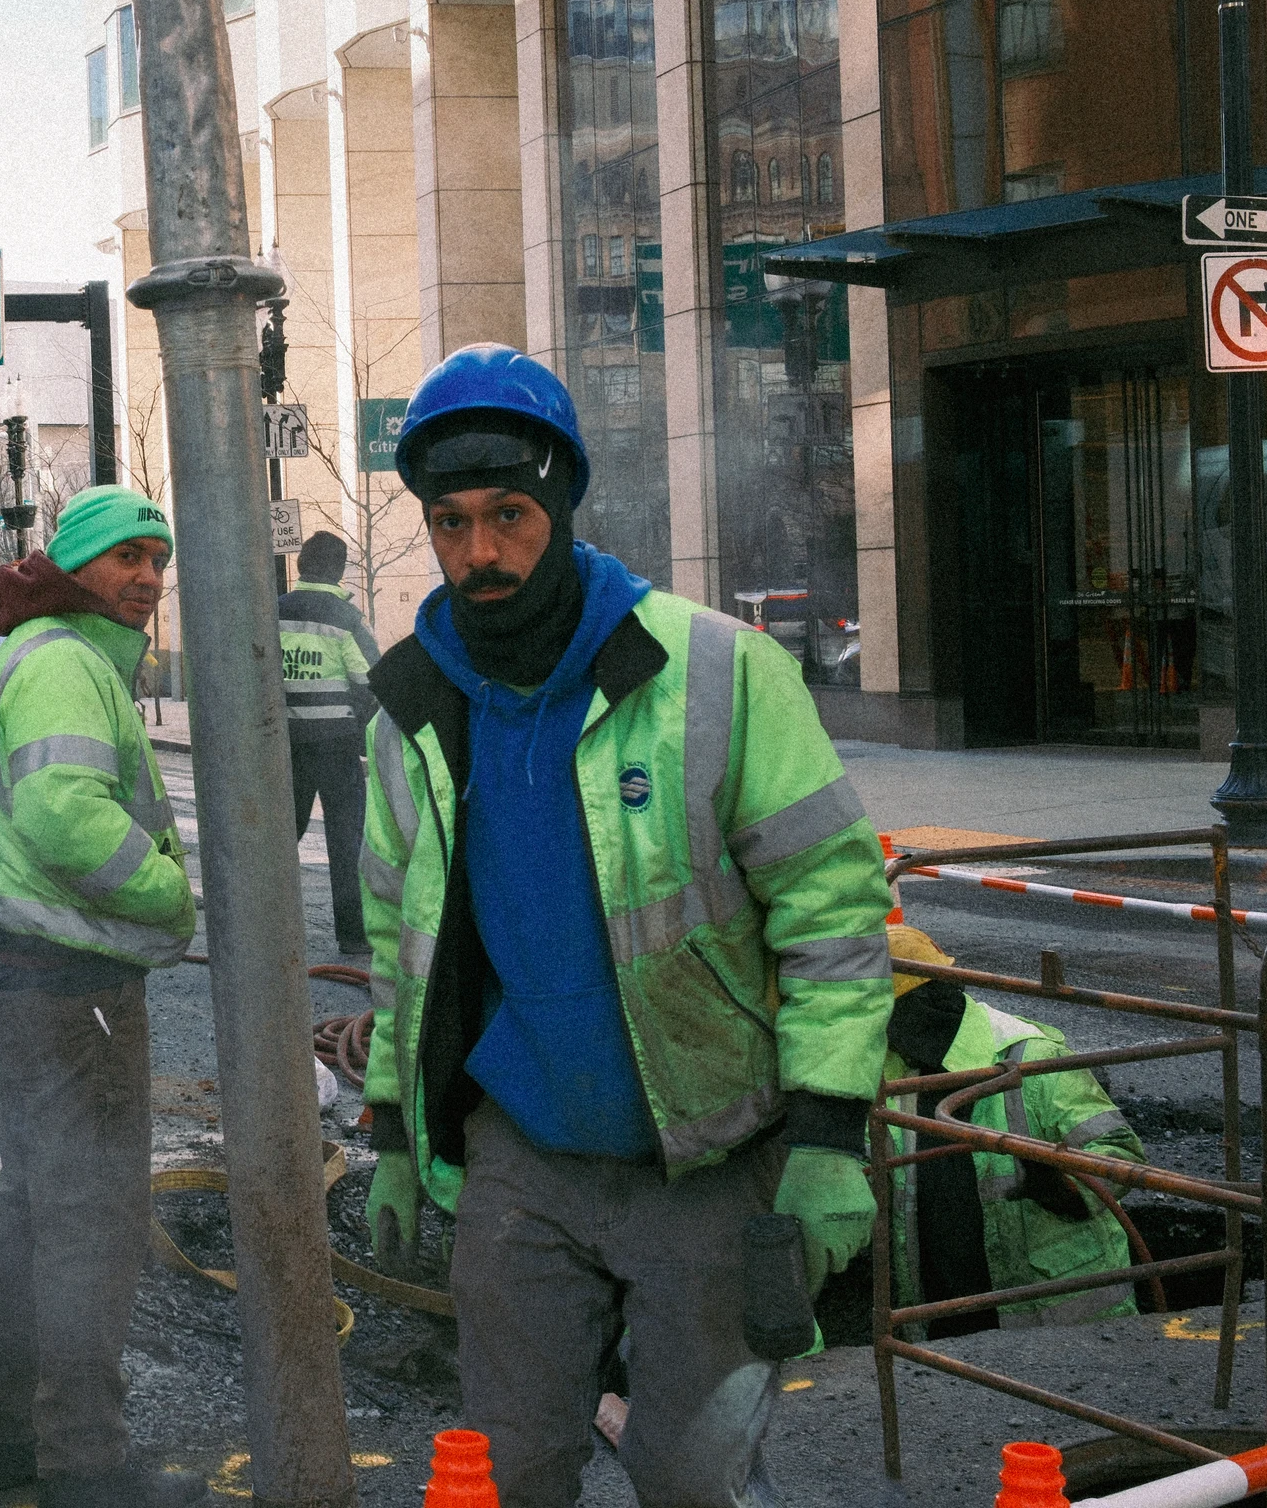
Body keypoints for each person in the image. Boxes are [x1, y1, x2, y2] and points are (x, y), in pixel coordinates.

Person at [357, 344, 894, 1507]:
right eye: (450, 524)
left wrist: (830, 1131)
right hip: (521, 1156)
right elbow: (397, 933)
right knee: (508, 1472)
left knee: (693, 1478)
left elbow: (833, 907)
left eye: (509, 514)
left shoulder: (717, 673)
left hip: (704, 1153)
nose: (480, 552)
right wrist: (397, 1125)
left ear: (560, 502)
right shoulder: (412, 705)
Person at [0, 485, 206, 1508]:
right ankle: (84, 1468)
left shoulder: (44, 651)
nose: (146, 578)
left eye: (158, 559)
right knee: (90, 1230)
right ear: (79, 564)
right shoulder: (64, 662)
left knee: (32, 1221)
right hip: (73, 991)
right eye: (126, 558)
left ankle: (10, 1449)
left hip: (33, 981)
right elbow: (65, 818)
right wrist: (171, 894)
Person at [882, 926, 1148, 1332]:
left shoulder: (1033, 1058)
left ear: (916, 1012)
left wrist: (1057, 1183)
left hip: (1060, 1327)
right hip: (941, 1311)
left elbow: (1121, 1154)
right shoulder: (894, 1072)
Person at [277, 529, 380, 956]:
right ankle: (353, 934)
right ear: (338, 570)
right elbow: (371, 677)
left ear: (301, 565)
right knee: (345, 838)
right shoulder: (343, 618)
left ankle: (266, 924)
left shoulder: (274, 610)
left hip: (288, 745)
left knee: (282, 837)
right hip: (337, 746)